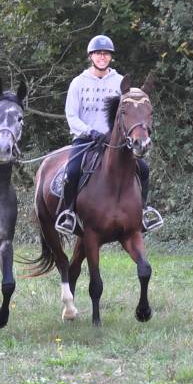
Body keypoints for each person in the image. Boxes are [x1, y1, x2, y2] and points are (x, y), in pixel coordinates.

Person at [54, 34, 163, 235]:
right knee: (72, 170)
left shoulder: (121, 82)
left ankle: (144, 211)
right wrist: (90, 132)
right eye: (98, 54)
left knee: (144, 169)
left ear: (110, 57)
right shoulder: (78, 83)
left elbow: (131, 112)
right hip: (87, 139)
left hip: (116, 141)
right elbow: (71, 115)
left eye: (105, 54)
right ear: (91, 56)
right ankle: (68, 213)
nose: (102, 57)